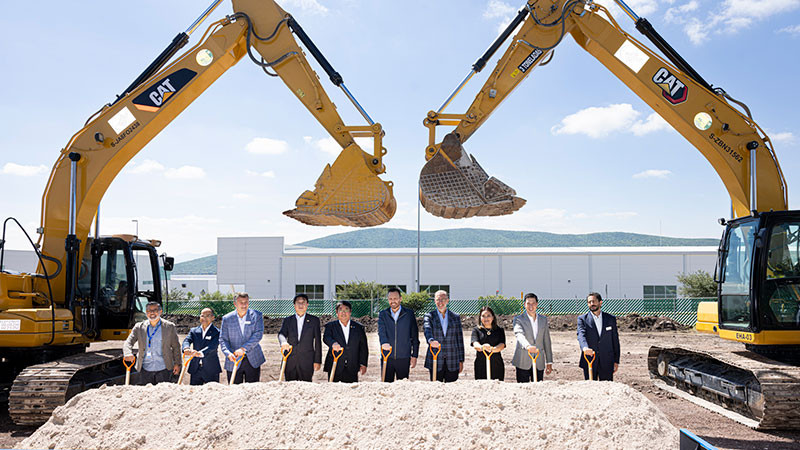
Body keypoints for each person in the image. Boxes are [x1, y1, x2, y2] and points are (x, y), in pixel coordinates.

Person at [123, 301, 180, 385]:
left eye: (155, 310)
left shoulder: (169, 327)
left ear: (160, 311)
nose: (152, 313)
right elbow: (128, 342)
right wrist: (127, 353)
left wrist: (177, 363)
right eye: (149, 310)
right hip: (145, 369)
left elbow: (176, 347)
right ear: (146, 313)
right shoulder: (139, 327)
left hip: (164, 369)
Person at [220, 292, 265, 384]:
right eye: (241, 302)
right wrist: (228, 353)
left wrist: (243, 349)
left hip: (253, 360)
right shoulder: (227, 319)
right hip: (233, 360)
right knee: (235, 391)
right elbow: (223, 339)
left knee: (252, 391)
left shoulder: (257, 316)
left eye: (246, 302)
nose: (244, 305)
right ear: (235, 304)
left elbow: (258, 335)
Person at [377, 287, 420, 381]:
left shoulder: (409, 314)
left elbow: (414, 336)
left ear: (400, 298)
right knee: (386, 387)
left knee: (403, 387)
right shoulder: (383, 314)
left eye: (395, 298)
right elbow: (381, 331)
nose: (393, 301)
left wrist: (415, 355)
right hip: (387, 357)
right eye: (390, 299)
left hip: (404, 358)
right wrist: (384, 343)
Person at [278, 294, 322, 381]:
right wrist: (283, 342)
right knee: (290, 387)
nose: (301, 305)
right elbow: (281, 334)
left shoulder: (314, 321)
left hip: (307, 361)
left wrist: (317, 360)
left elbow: (317, 342)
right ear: (294, 305)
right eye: (298, 303)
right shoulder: (288, 320)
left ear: (307, 305)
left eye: (303, 303)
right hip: (290, 360)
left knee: (306, 387)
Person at [577, 292, 620, 381]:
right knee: (591, 389)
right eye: (589, 302)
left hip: (607, 360)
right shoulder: (582, 319)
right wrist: (585, 348)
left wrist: (616, 360)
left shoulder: (610, 319)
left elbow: (615, 340)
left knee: (606, 389)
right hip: (590, 359)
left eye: (594, 301)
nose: (591, 304)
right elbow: (581, 335)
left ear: (600, 302)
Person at [423, 290, 465, 382]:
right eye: (438, 300)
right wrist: (431, 340)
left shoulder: (455, 317)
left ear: (447, 301)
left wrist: (461, 360)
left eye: (443, 299)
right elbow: (427, 329)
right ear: (434, 301)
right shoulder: (429, 316)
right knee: (436, 389)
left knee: (452, 390)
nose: (440, 302)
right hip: (435, 358)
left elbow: (459, 339)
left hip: (452, 360)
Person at [512, 293, 553, 382]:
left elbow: (546, 341)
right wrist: (528, 346)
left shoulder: (543, 320)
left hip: (539, 361)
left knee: (538, 388)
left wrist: (549, 362)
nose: (531, 306)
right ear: (524, 305)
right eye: (528, 303)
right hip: (523, 360)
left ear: (537, 304)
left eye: (533, 303)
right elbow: (519, 334)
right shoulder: (518, 319)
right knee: (523, 388)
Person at [323, 301, 368, 382]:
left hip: (352, 366)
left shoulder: (358, 328)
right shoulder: (330, 326)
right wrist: (333, 343)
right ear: (337, 312)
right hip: (335, 364)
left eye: (346, 310)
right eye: (340, 310)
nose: (343, 312)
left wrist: (363, 363)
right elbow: (326, 337)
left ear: (350, 312)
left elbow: (363, 347)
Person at [181, 308, 222, 385]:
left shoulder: (217, 332)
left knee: (212, 393)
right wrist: (186, 348)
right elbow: (187, 340)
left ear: (213, 317)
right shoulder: (194, 331)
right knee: (194, 392)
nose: (204, 318)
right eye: (202, 316)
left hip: (211, 368)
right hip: (195, 368)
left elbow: (212, 346)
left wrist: (199, 353)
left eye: (208, 316)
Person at [471, 306, 506, 381]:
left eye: (488, 316)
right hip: (481, 364)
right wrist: (482, 347)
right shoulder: (476, 330)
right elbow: (475, 344)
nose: (486, 318)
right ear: (480, 318)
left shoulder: (499, 330)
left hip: (497, 364)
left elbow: (502, 345)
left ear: (493, 317)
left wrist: (493, 349)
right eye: (483, 316)